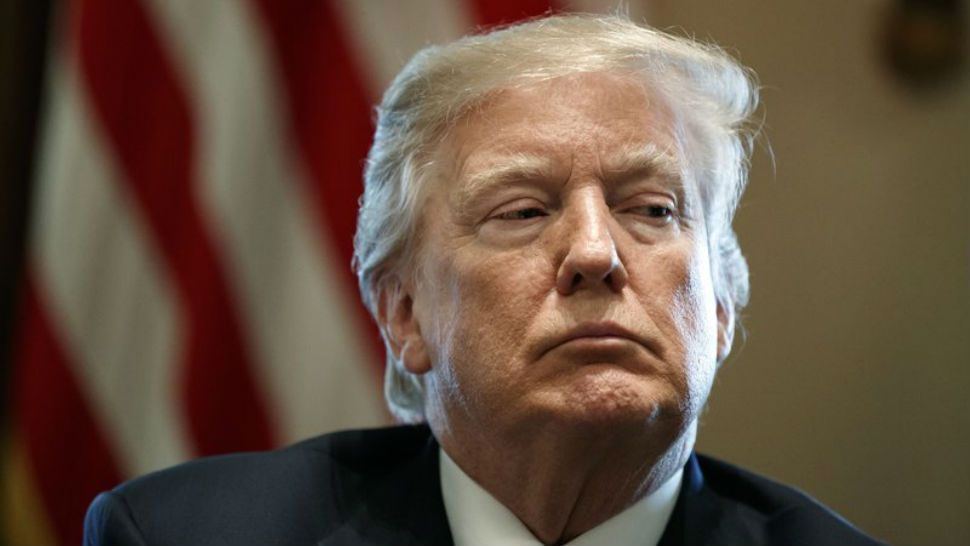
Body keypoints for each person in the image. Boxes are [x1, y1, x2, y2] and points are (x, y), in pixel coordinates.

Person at [84, 13, 885, 546]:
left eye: (651, 208)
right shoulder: (177, 535)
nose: (595, 253)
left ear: (716, 307)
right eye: (523, 212)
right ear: (403, 313)